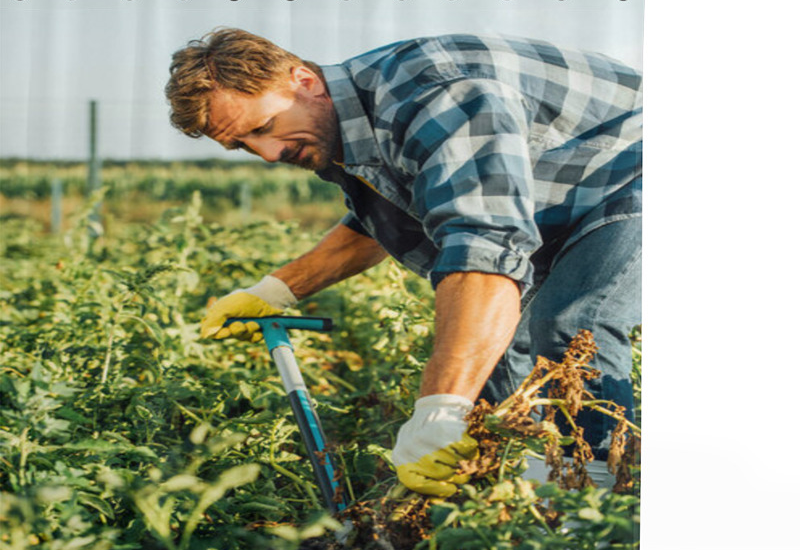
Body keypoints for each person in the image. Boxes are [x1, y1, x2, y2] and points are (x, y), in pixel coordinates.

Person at [165, 28, 642, 497]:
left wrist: (439, 408)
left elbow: (484, 247)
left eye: (262, 128)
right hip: (574, 198)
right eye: (243, 146)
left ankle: (594, 529)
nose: (269, 154)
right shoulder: (339, 126)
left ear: (303, 81)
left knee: (576, 325)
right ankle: (510, 508)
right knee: (494, 358)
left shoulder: (436, 95)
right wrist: (277, 290)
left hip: (642, 169)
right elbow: (384, 218)